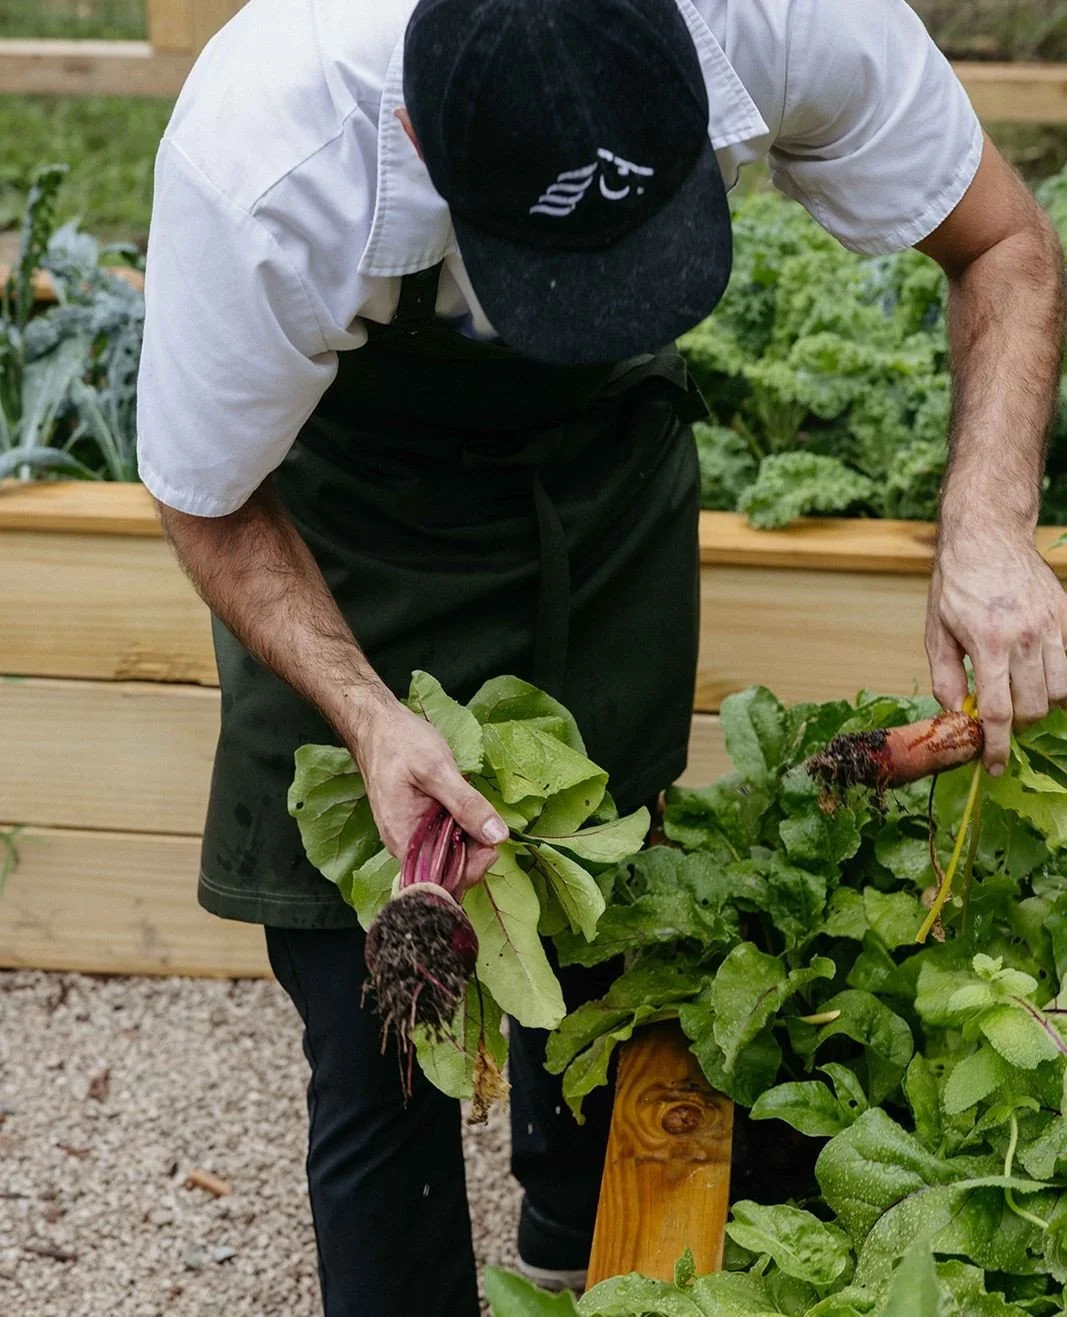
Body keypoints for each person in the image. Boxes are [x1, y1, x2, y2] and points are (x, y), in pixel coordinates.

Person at [135, 0, 1067, 1311]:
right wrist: (365, 714)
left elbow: (1003, 240)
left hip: (604, 479)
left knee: (605, 912)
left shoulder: (784, 19)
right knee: (372, 1007)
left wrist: (986, 527)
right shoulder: (270, 149)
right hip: (346, 508)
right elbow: (207, 495)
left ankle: (580, 1240)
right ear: (417, 128)